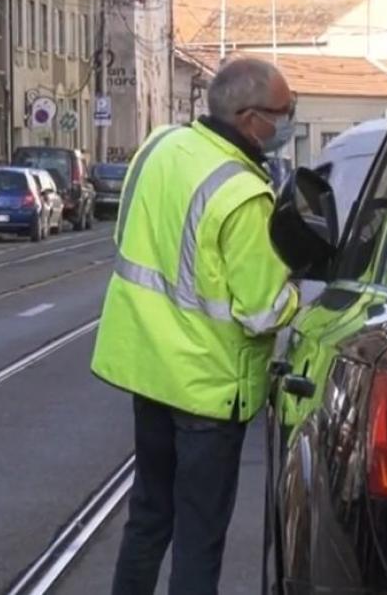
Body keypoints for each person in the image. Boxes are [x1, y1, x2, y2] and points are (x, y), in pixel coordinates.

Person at [91, 57, 300, 595]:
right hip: (208, 389)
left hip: (149, 371)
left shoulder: (158, 148)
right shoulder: (244, 194)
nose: (288, 124)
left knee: (148, 516)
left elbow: (132, 244)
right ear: (251, 118)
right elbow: (263, 311)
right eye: (284, 113)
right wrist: (296, 283)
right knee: (199, 537)